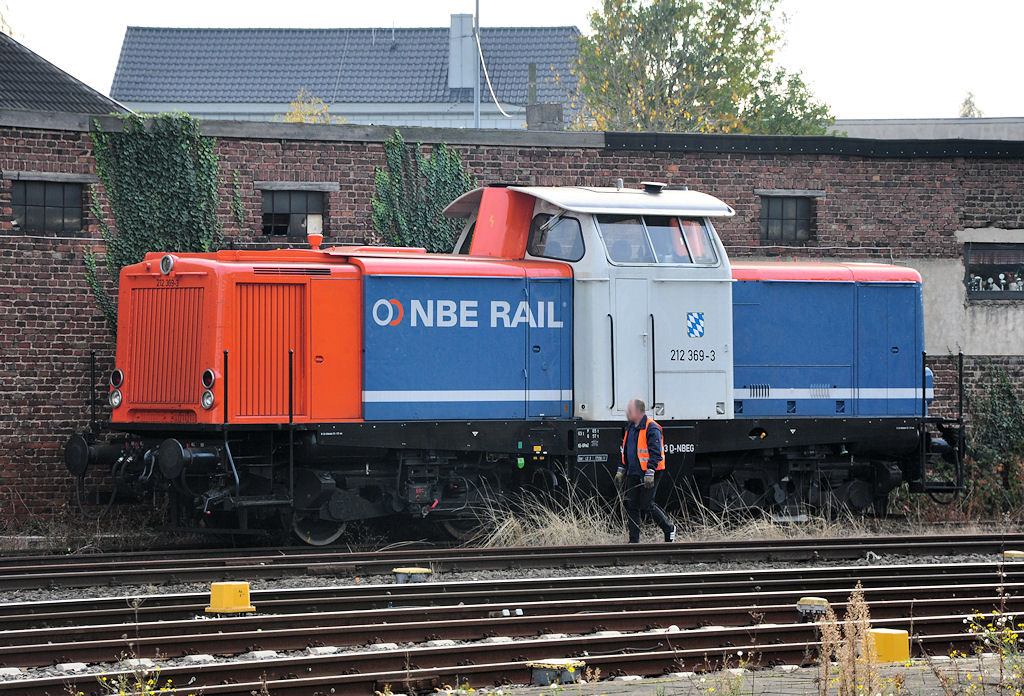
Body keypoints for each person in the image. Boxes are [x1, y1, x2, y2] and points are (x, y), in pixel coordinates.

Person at [615, 398, 676, 543]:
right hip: (634, 472)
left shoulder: (652, 428)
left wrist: (650, 471)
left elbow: (656, 452)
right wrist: (621, 469)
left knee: (646, 504)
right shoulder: (629, 427)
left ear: (639, 412)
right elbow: (626, 451)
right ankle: (634, 541)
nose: (627, 412)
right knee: (632, 505)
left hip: (650, 472)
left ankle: (669, 528)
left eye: (629, 410)